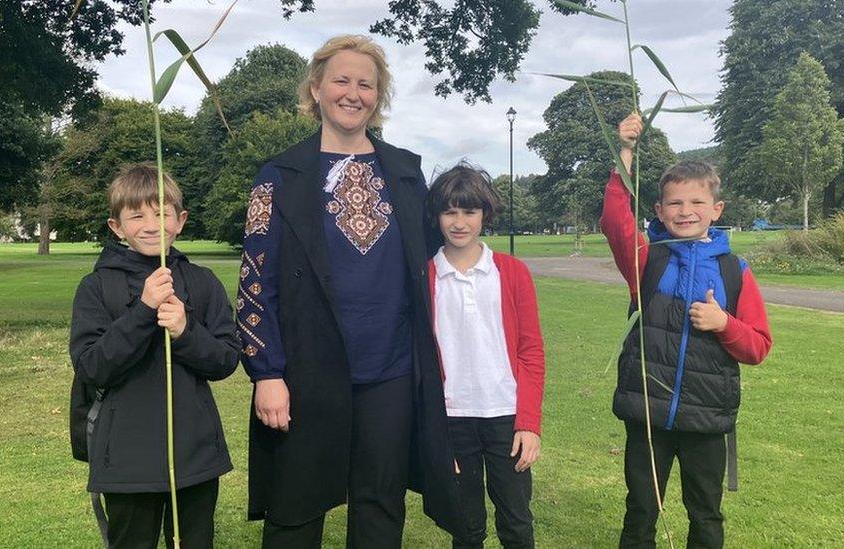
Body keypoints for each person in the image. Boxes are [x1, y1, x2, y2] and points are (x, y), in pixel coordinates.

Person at [235, 34, 463, 548]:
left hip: (390, 371)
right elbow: (254, 282)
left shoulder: (405, 172)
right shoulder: (279, 175)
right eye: (341, 80)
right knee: (295, 505)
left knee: (380, 505)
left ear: (378, 96)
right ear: (315, 88)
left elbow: (433, 253)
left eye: (367, 83)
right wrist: (266, 372)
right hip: (306, 368)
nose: (353, 92)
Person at [603, 114, 773, 548]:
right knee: (641, 508)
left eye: (696, 203)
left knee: (706, 514)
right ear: (659, 210)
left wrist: (724, 324)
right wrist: (625, 152)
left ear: (716, 209)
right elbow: (615, 222)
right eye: (675, 204)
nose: (685, 212)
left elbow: (758, 346)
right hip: (649, 414)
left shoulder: (734, 271)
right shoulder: (649, 258)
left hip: (706, 419)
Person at [69, 165, 241, 548]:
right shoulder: (97, 288)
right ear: (116, 227)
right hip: (127, 462)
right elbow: (91, 366)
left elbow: (227, 360)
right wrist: (142, 312)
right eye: (137, 216)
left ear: (180, 221)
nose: (151, 225)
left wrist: (185, 332)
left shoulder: (203, 282)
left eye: (161, 213)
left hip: (194, 458)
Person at [424, 164, 546, 549]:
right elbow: (419, 363)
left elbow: (531, 351)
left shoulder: (511, 272)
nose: (459, 222)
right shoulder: (424, 275)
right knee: (466, 526)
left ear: (485, 215)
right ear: (437, 216)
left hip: (505, 419)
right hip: (452, 420)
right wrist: (434, 434)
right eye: (450, 212)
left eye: (469, 211)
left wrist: (529, 423)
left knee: (516, 522)